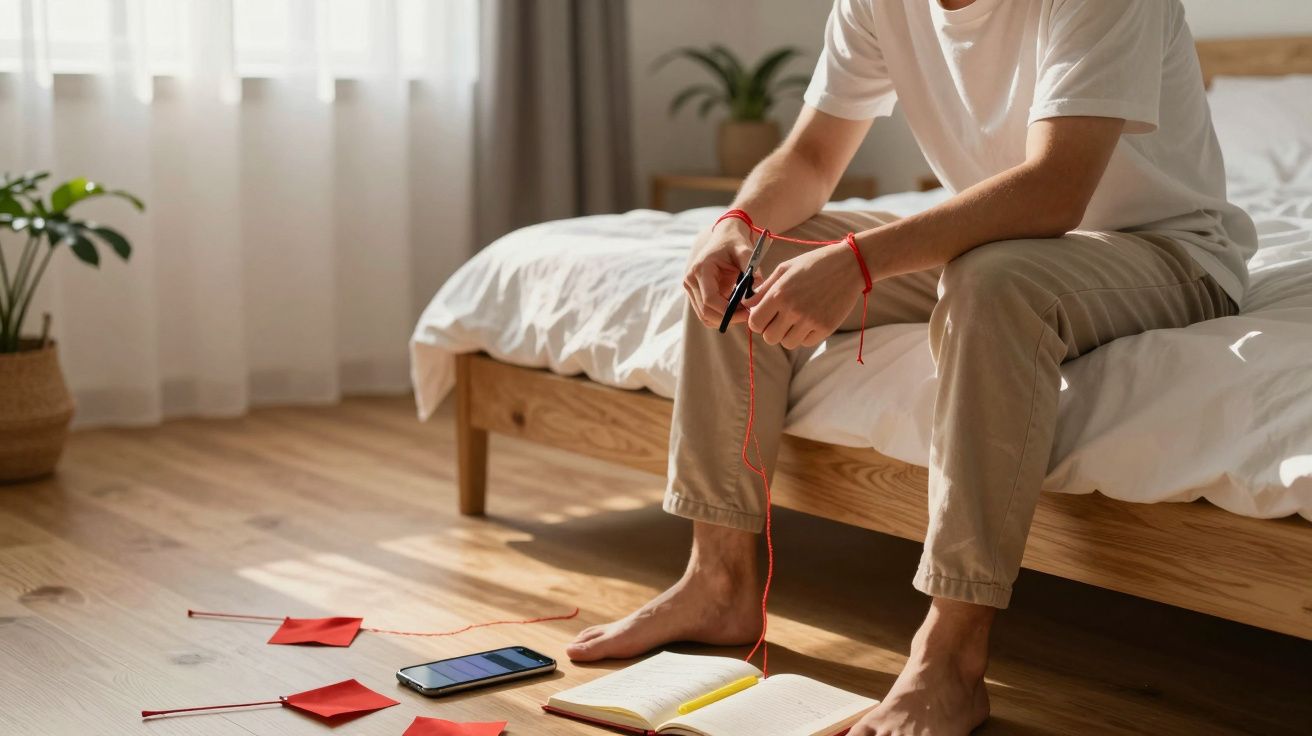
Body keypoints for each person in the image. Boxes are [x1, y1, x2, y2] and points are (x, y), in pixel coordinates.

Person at [567, 0, 1255, 732]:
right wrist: (734, 224)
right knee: (750, 257)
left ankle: (951, 655)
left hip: (1162, 251)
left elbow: (1056, 186)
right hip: (999, 235)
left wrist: (859, 264)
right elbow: (809, 157)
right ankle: (719, 579)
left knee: (991, 285)